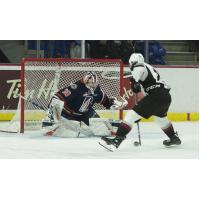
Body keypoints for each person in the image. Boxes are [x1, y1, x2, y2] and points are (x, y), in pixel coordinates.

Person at [99, 53, 181, 151]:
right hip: (165, 97)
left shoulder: (138, 66)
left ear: (131, 62)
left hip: (156, 96)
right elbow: (140, 89)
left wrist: (134, 81)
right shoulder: (148, 67)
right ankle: (173, 137)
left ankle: (117, 140)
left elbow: (136, 83)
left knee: (130, 115)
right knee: (160, 119)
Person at [42, 71, 127, 137]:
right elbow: (56, 98)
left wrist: (115, 104)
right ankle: (51, 124)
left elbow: (105, 101)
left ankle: (112, 130)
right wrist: (53, 114)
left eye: (95, 83)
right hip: (68, 114)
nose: (94, 86)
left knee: (102, 130)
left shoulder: (97, 89)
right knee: (72, 134)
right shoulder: (75, 87)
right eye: (91, 83)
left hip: (86, 113)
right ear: (86, 81)